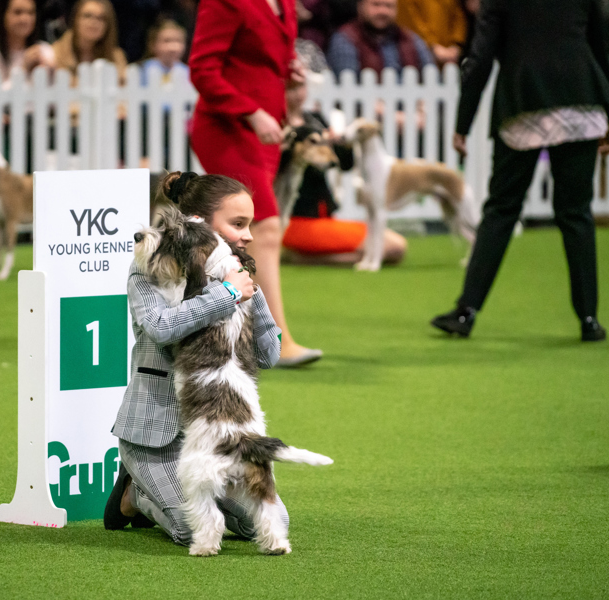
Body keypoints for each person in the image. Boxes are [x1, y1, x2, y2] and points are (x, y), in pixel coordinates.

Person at [105, 171, 286, 547]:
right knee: (189, 529)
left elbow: (269, 356)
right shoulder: (147, 270)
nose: (249, 235)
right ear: (199, 223)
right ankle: (136, 494)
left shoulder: (236, 275)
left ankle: (202, 495)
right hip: (158, 438)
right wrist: (226, 295)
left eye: (249, 224)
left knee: (266, 523)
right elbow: (161, 328)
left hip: (218, 437)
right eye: (238, 224)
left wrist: (252, 293)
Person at [431, 0, 609, 342]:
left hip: (523, 101)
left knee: (501, 210)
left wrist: (463, 122)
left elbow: (481, 57)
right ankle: (589, 319)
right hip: (580, 99)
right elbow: (599, 47)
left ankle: (466, 311)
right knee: (576, 213)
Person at [189, 0, 323, 368]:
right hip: (228, 128)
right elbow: (202, 70)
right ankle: (275, 339)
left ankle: (234, 334)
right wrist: (251, 110)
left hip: (265, 131)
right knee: (263, 225)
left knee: (242, 232)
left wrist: (289, 82)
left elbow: (265, 64)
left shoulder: (286, 6)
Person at [282, 79, 408, 265]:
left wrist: (339, 145)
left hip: (323, 217)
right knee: (392, 246)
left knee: (393, 245)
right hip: (296, 219)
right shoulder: (278, 127)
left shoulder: (314, 119)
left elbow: (345, 165)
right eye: (291, 88)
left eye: (301, 86)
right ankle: (304, 257)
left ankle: (305, 256)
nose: (298, 93)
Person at [326, 0, 434, 79]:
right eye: (376, 4)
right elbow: (347, 85)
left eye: (389, 6)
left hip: (411, 107)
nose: (383, 11)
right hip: (366, 108)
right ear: (360, 7)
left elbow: (431, 76)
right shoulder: (346, 39)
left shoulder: (410, 39)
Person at [0, 0, 55, 86]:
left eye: (30, 13)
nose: (25, 19)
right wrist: (24, 68)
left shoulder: (45, 49)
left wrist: (51, 72)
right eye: (18, 12)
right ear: (3, 15)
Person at [51, 0, 126, 86]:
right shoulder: (55, 53)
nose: (94, 22)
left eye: (101, 18)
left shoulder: (116, 57)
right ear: (75, 19)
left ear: (108, 25)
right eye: (87, 16)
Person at [395, 0, 468, 66]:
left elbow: (458, 15)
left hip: (451, 56)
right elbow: (411, 20)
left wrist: (455, 45)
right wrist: (433, 46)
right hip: (421, 53)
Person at [138, 17, 187, 85]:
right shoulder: (138, 72)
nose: (172, 48)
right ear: (153, 45)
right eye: (167, 41)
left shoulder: (189, 75)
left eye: (178, 41)